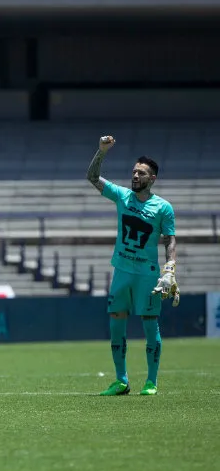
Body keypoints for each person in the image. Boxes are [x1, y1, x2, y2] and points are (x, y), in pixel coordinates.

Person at [87, 136, 178, 396]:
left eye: (142, 173)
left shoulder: (163, 207)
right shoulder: (122, 196)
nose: (136, 176)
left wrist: (170, 266)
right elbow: (93, 177)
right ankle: (121, 380)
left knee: (150, 323)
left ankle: (151, 381)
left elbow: (170, 239)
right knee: (116, 323)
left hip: (147, 275)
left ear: (153, 179)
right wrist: (102, 151)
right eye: (134, 172)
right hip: (122, 272)